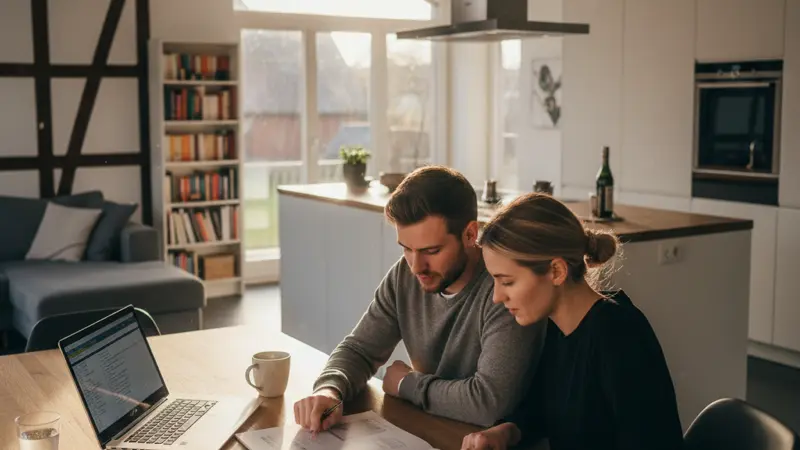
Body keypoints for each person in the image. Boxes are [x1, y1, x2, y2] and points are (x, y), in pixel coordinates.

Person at [294, 166, 546, 434]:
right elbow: (360, 350)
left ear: (470, 234)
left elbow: (488, 402)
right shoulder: (404, 274)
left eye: (432, 251)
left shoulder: (503, 289)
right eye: (406, 249)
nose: (416, 267)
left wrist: (407, 384)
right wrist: (329, 390)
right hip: (431, 426)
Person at [461, 193, 684, 450]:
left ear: (556, 271)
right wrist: (505, 432)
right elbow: (540, 410)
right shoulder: (557, 327)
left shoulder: (618, 334)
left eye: (507, 282)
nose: (497, 297)